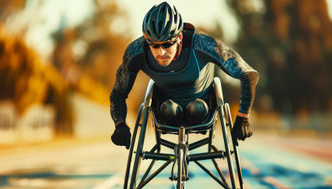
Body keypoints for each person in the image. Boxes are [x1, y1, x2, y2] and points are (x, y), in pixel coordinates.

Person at [110, 2, 259, 149]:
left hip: (203, 111)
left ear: (179, 38)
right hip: (165, 113)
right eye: (154, 45)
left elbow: (248, 74)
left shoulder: (204, 45)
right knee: (169, 110)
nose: (161, 52)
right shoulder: (135, 52)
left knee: (196, 109)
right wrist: (120, 124)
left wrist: (242, 118)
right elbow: (118, 93)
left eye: (167, 44)